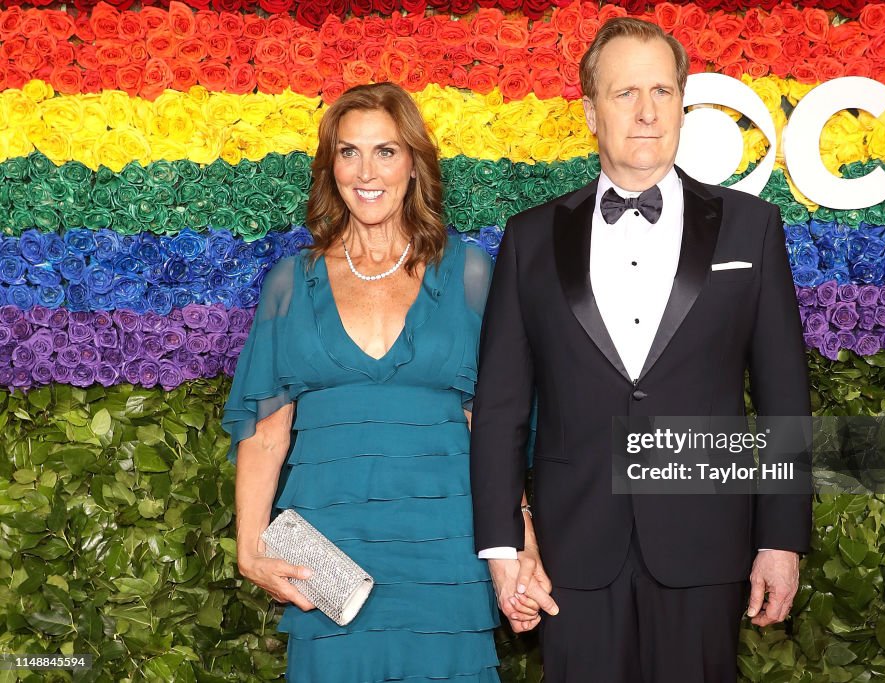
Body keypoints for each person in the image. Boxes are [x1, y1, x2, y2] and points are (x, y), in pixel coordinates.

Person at [470, 18, 812, 683]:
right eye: (626, 93)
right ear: (592, 112)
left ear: (683, 102)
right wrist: (503, 545)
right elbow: (502, 405)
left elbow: (782, 397)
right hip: (573, 551)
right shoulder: (530, 238)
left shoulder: (752, 227)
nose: (648, 111)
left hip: (706, 540)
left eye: (663, 90)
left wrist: (781, 535)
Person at [222, 82, 531, 682]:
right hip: (328, 558)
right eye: (349, 151)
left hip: (446, 550)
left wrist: (521, 539)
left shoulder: (466, 272)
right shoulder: (292, 282)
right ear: (329, 165)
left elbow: (494, 425)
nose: (367, 171)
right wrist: (251, 545)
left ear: (414, 164)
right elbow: (264, 433)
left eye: (386, 151)